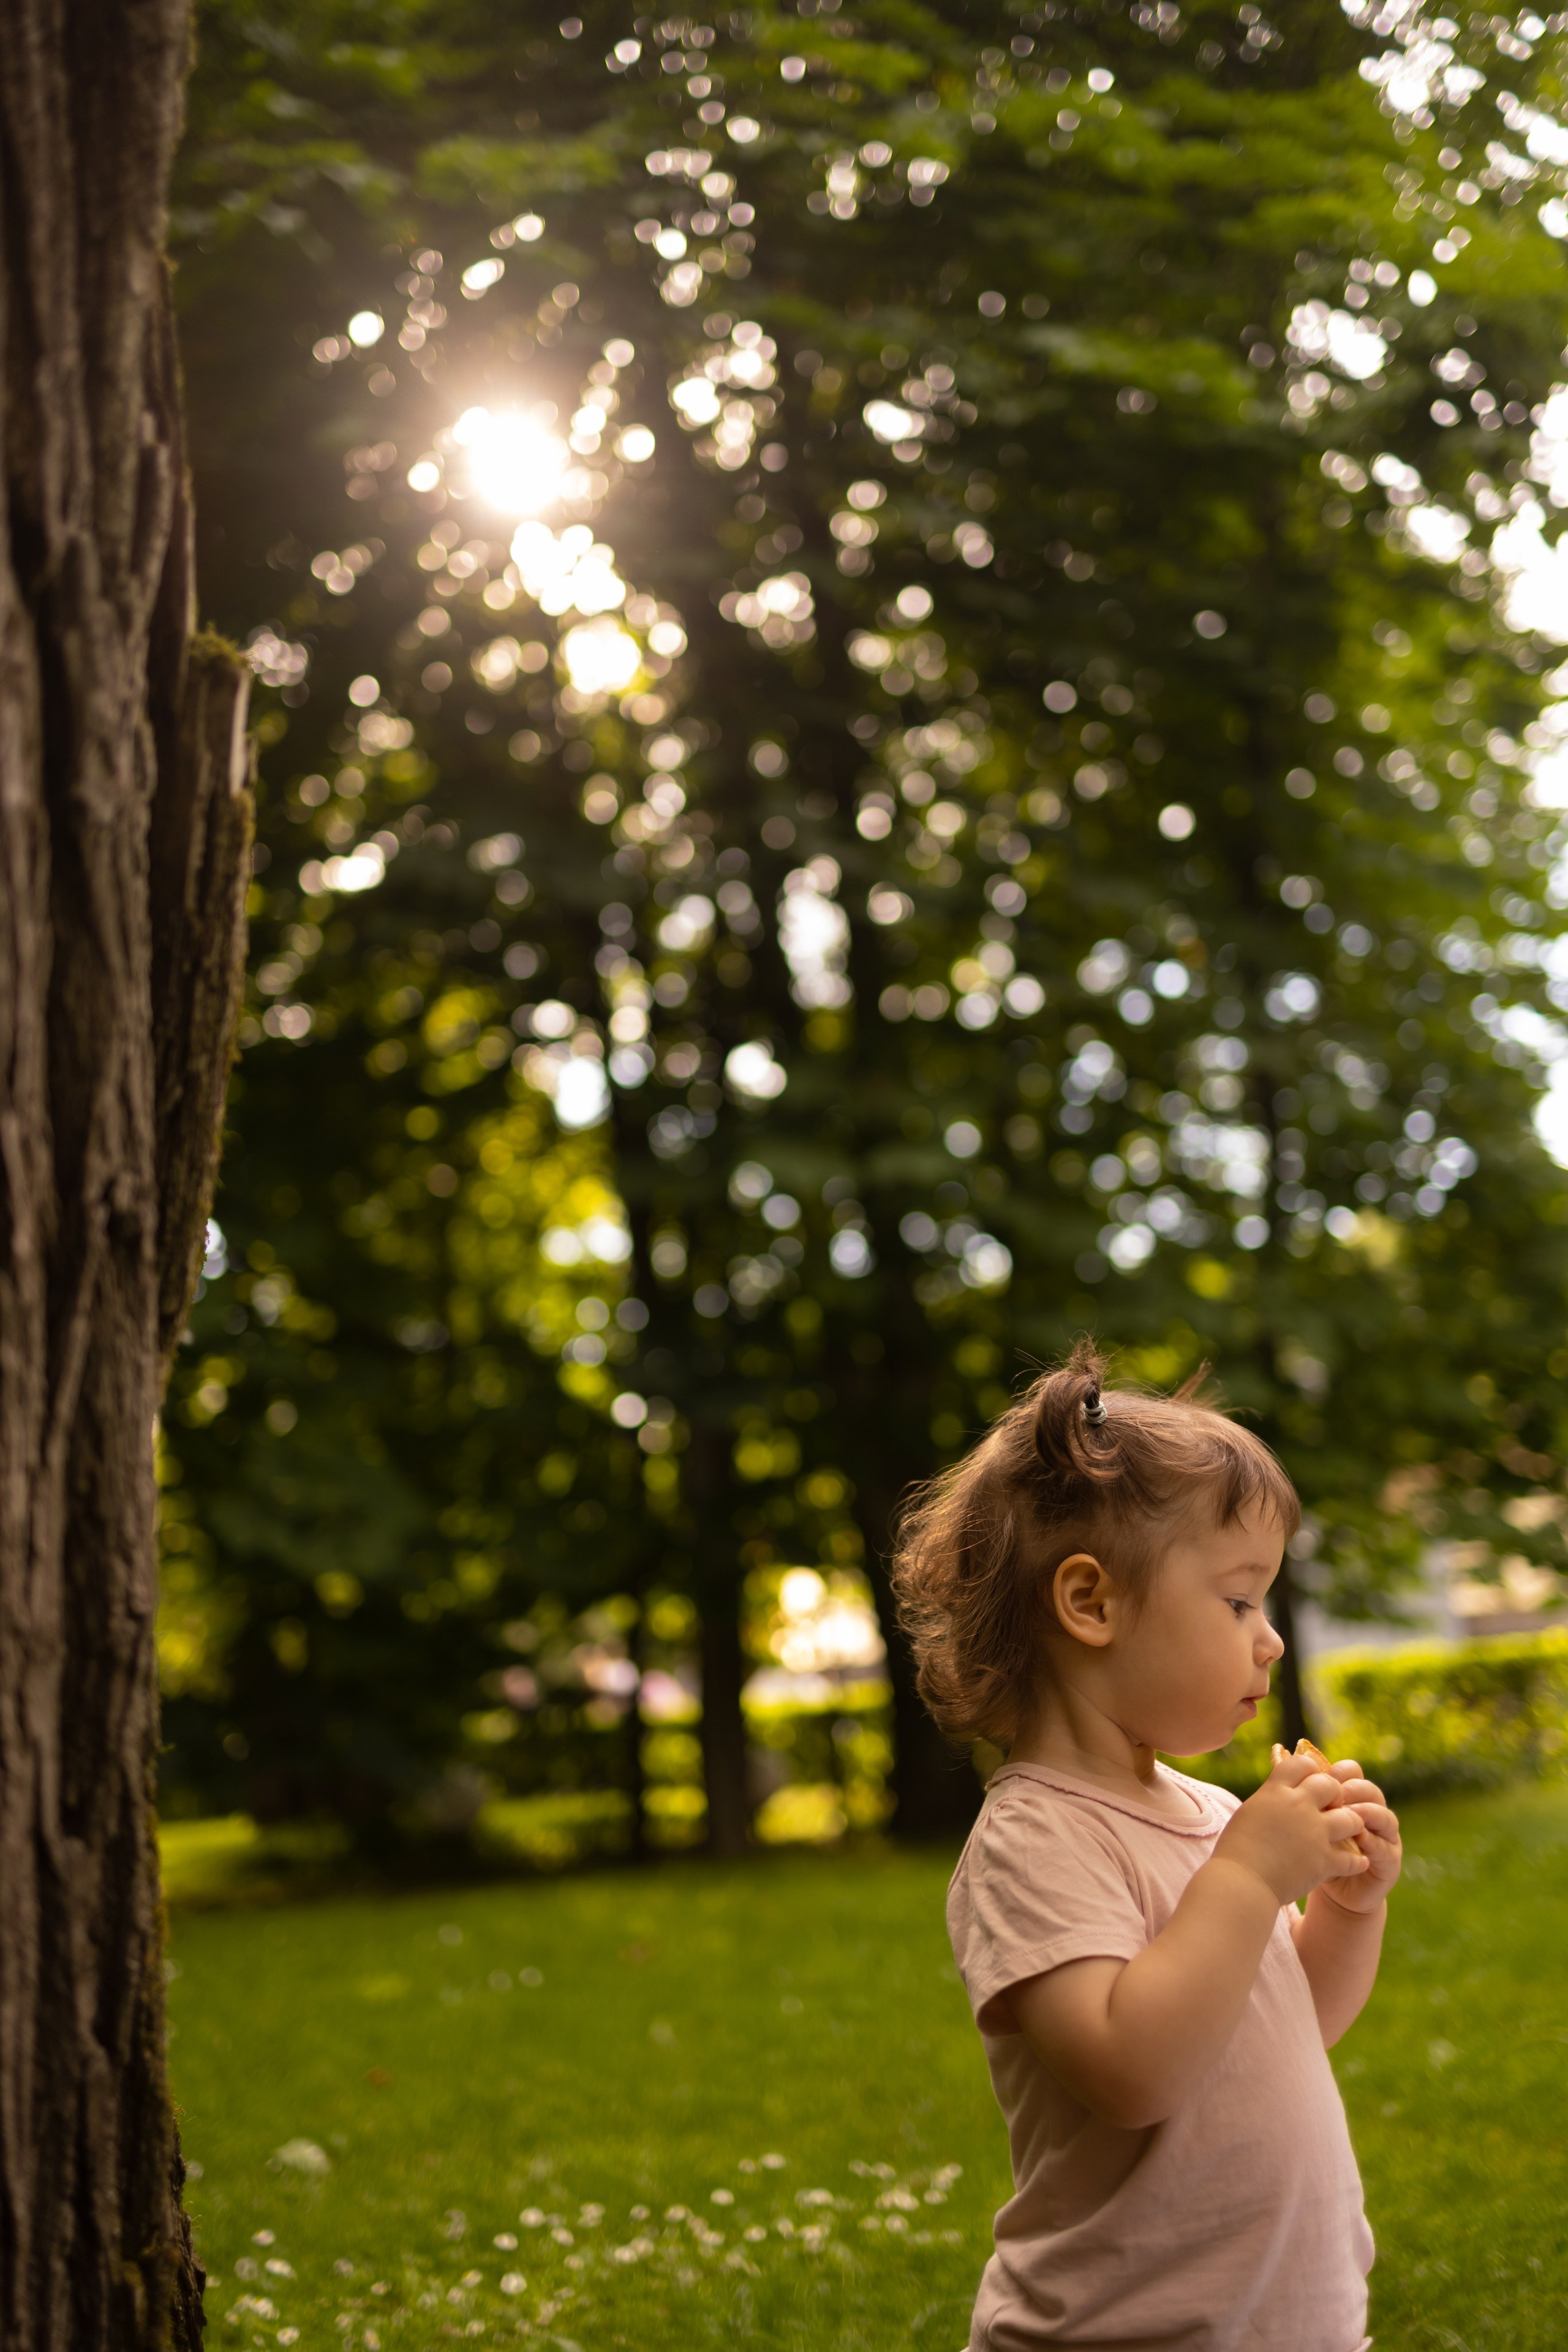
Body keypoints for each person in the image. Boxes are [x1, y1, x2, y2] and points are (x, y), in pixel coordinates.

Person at [892, 1340, 1402, 2352]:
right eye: (1237, 1600)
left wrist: (1346, 1908)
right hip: (1127, 2329)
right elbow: (1133, 2068)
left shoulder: (1209, 1813)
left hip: (1289, 2322)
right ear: (1092, 1603)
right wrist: (1254, 1876)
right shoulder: (1036, 1840)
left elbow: (1295, 2023)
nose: (1272, 1639)